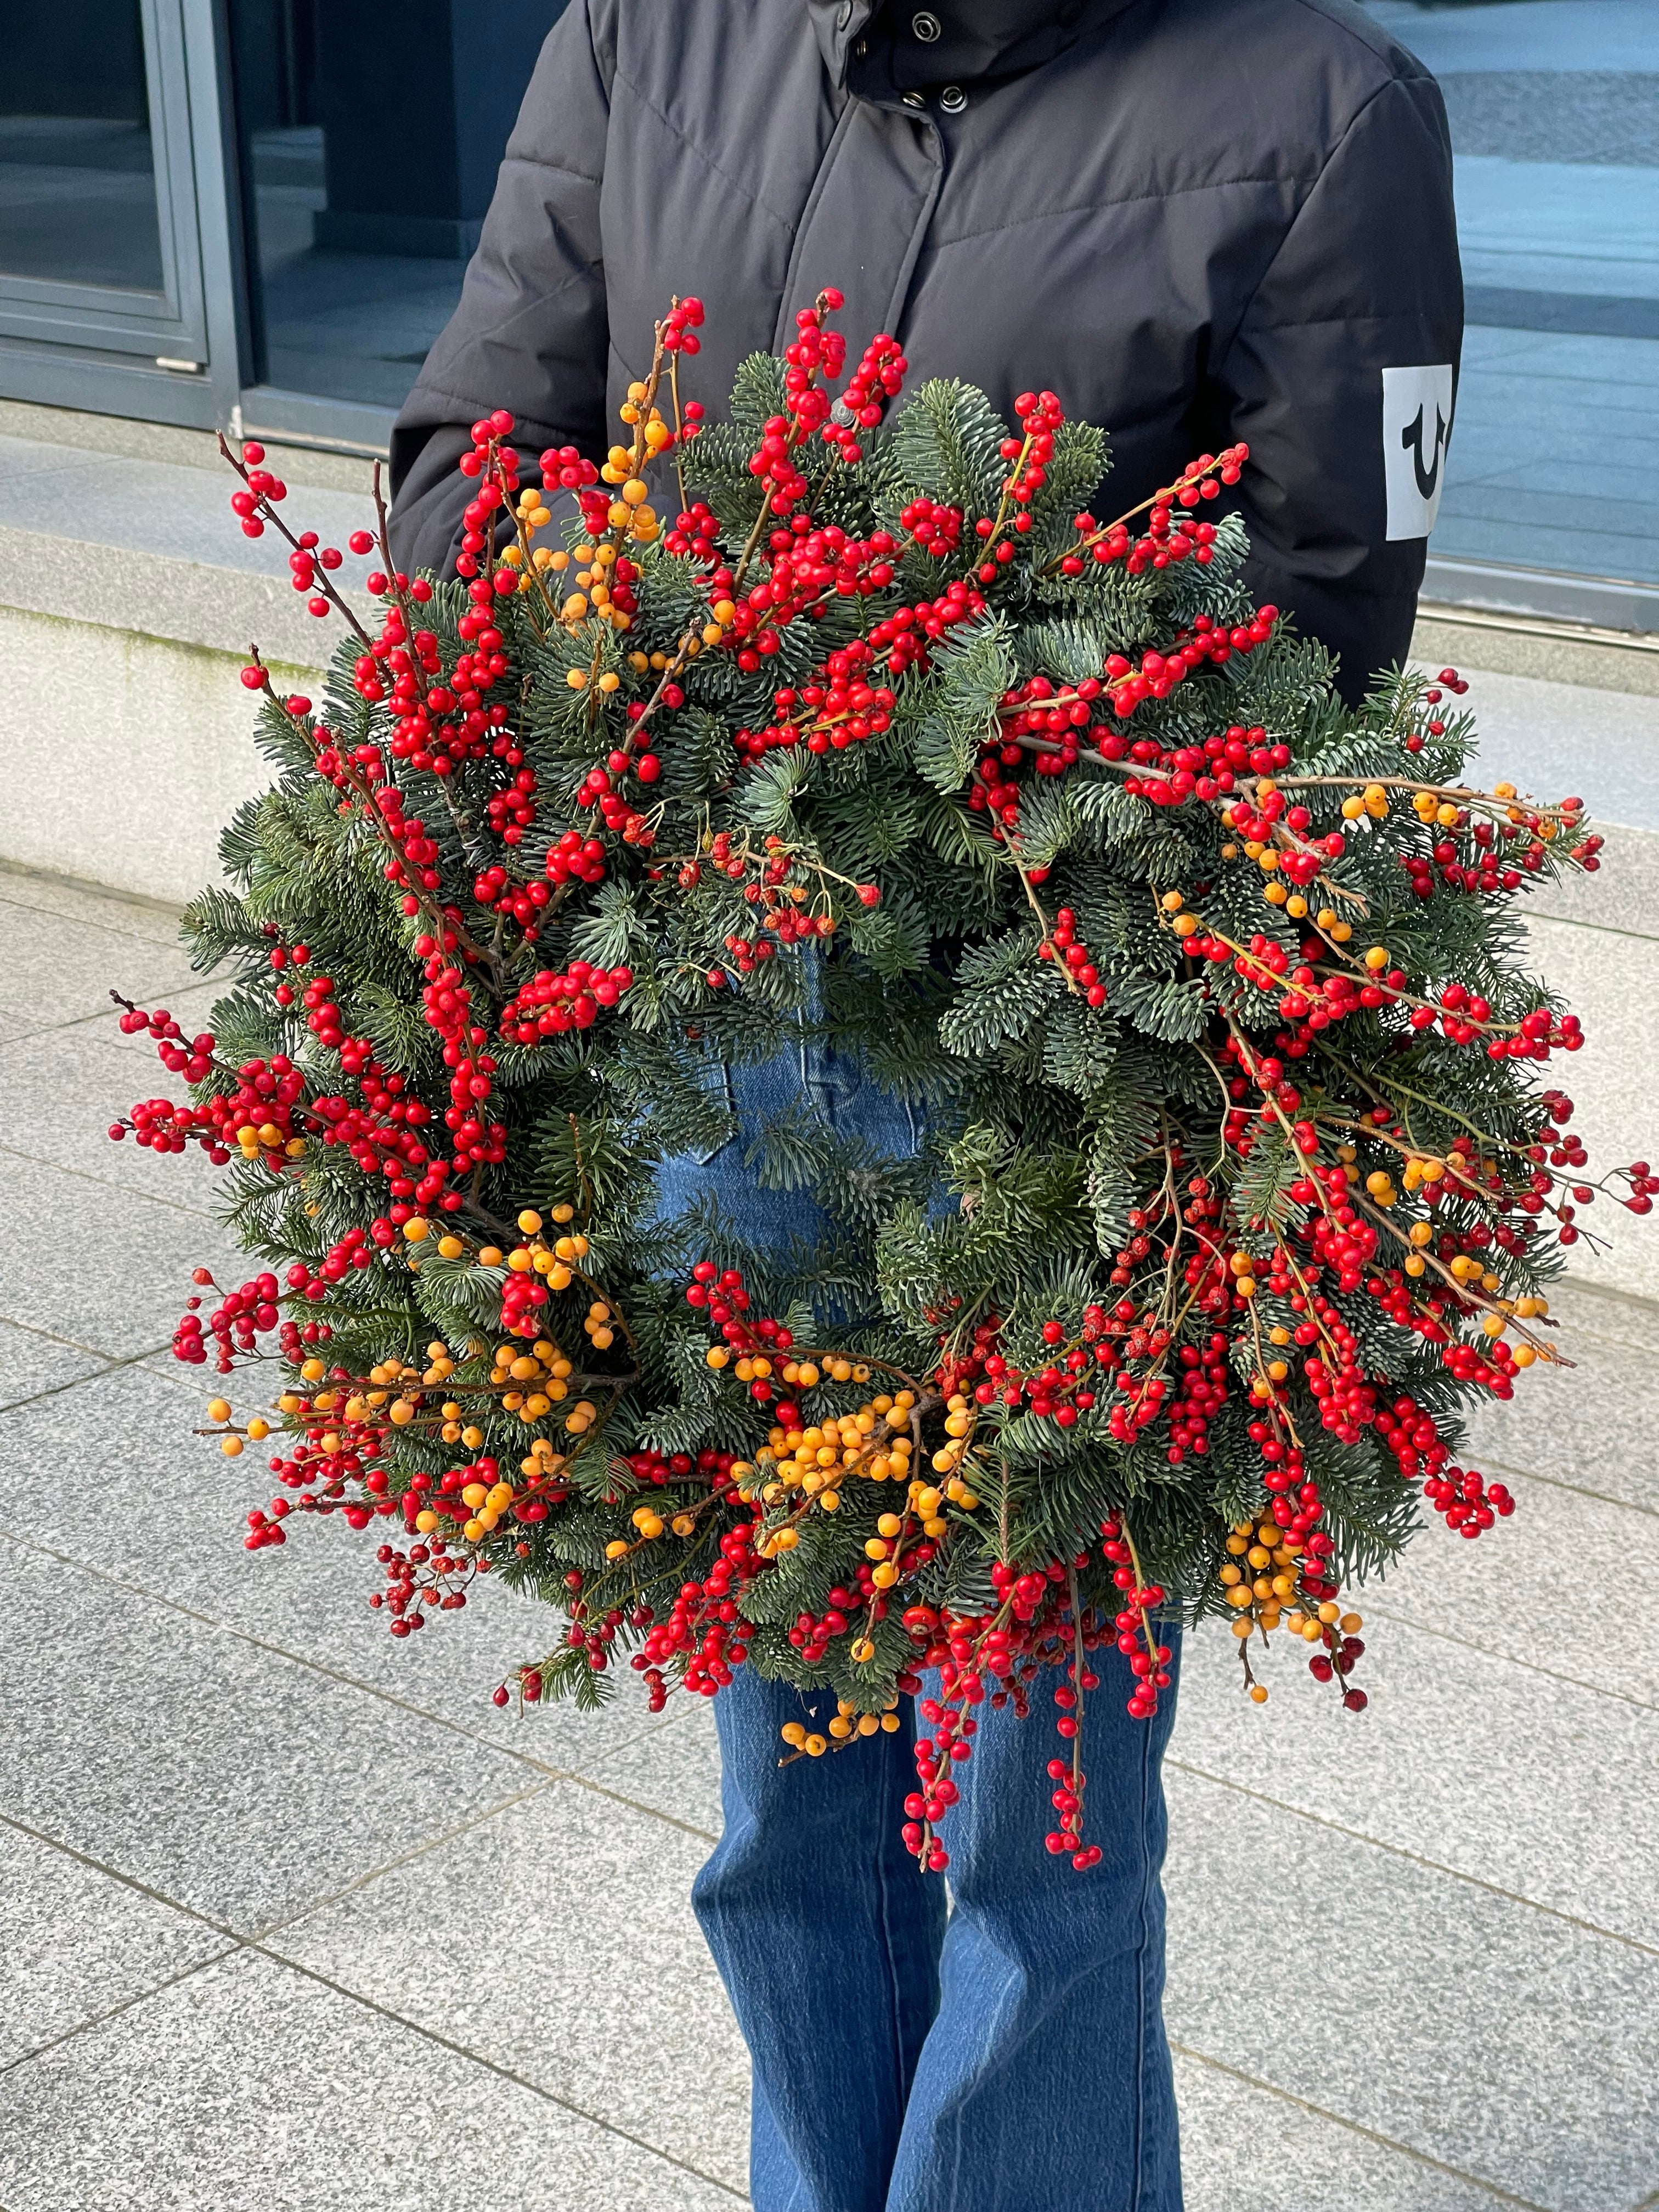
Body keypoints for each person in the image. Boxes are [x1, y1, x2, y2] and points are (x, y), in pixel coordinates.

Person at [388, 5, 1461, 2205]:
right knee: (791, 1817)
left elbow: (1315, 633)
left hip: (1052, 1101)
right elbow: (467, 468)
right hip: (698, 1061)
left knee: (1031, 1841)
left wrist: (966, 739)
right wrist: (670, 684)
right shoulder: (651, 33)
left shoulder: (1321, 106)